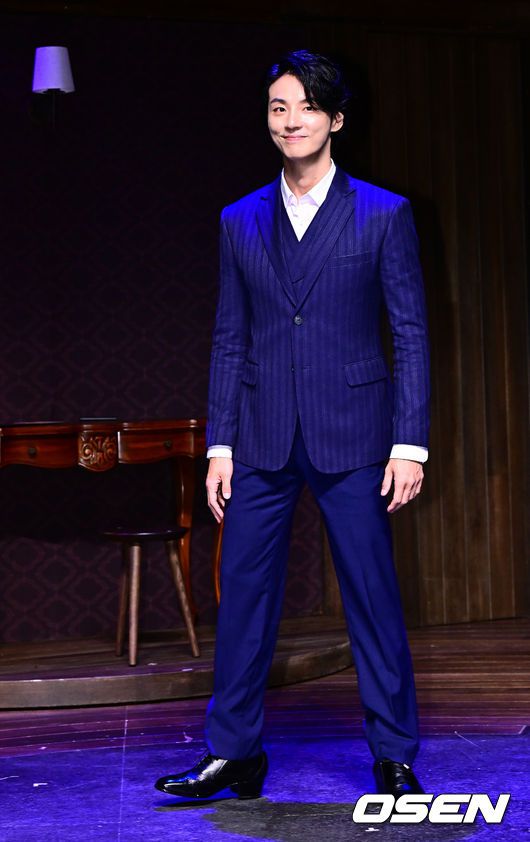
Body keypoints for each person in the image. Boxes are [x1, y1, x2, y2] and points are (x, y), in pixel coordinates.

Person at [156, 49, 430, 801]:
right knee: (244, 599)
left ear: (335, 120)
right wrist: (219, 444)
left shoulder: (383, 213)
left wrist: (409, 444)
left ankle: (394, 755)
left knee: (371, 597)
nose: (290, 120)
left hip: (356, 435)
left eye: (306, 107)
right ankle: (234, 753)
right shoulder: (239, 218)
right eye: (279, 107)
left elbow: (409, 333)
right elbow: (229, 338)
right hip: (260, 435)